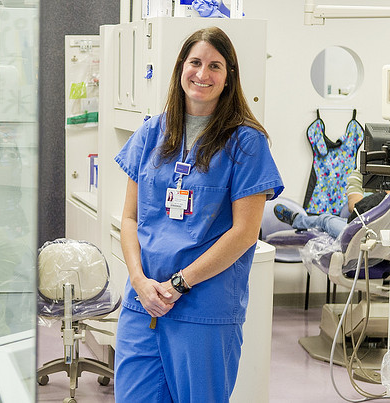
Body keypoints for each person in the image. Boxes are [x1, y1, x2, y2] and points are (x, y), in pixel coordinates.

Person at [113, 26, 284, 402]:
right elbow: (128, 218)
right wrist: (140, 281)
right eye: (195, 62)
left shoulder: (247, 142)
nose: (202, 74)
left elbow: (244, 233)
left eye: (215, 66)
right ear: (180, 68)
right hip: (143, 305)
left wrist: (178, 284)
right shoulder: (150, 134)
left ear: (229, 77)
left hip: (202, 309)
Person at [274, 169, 388, 239]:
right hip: (363, 231)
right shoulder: (360, 175)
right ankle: (297, 220)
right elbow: (355, 208)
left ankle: (298, 219)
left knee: (325, 219)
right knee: (326, 220)